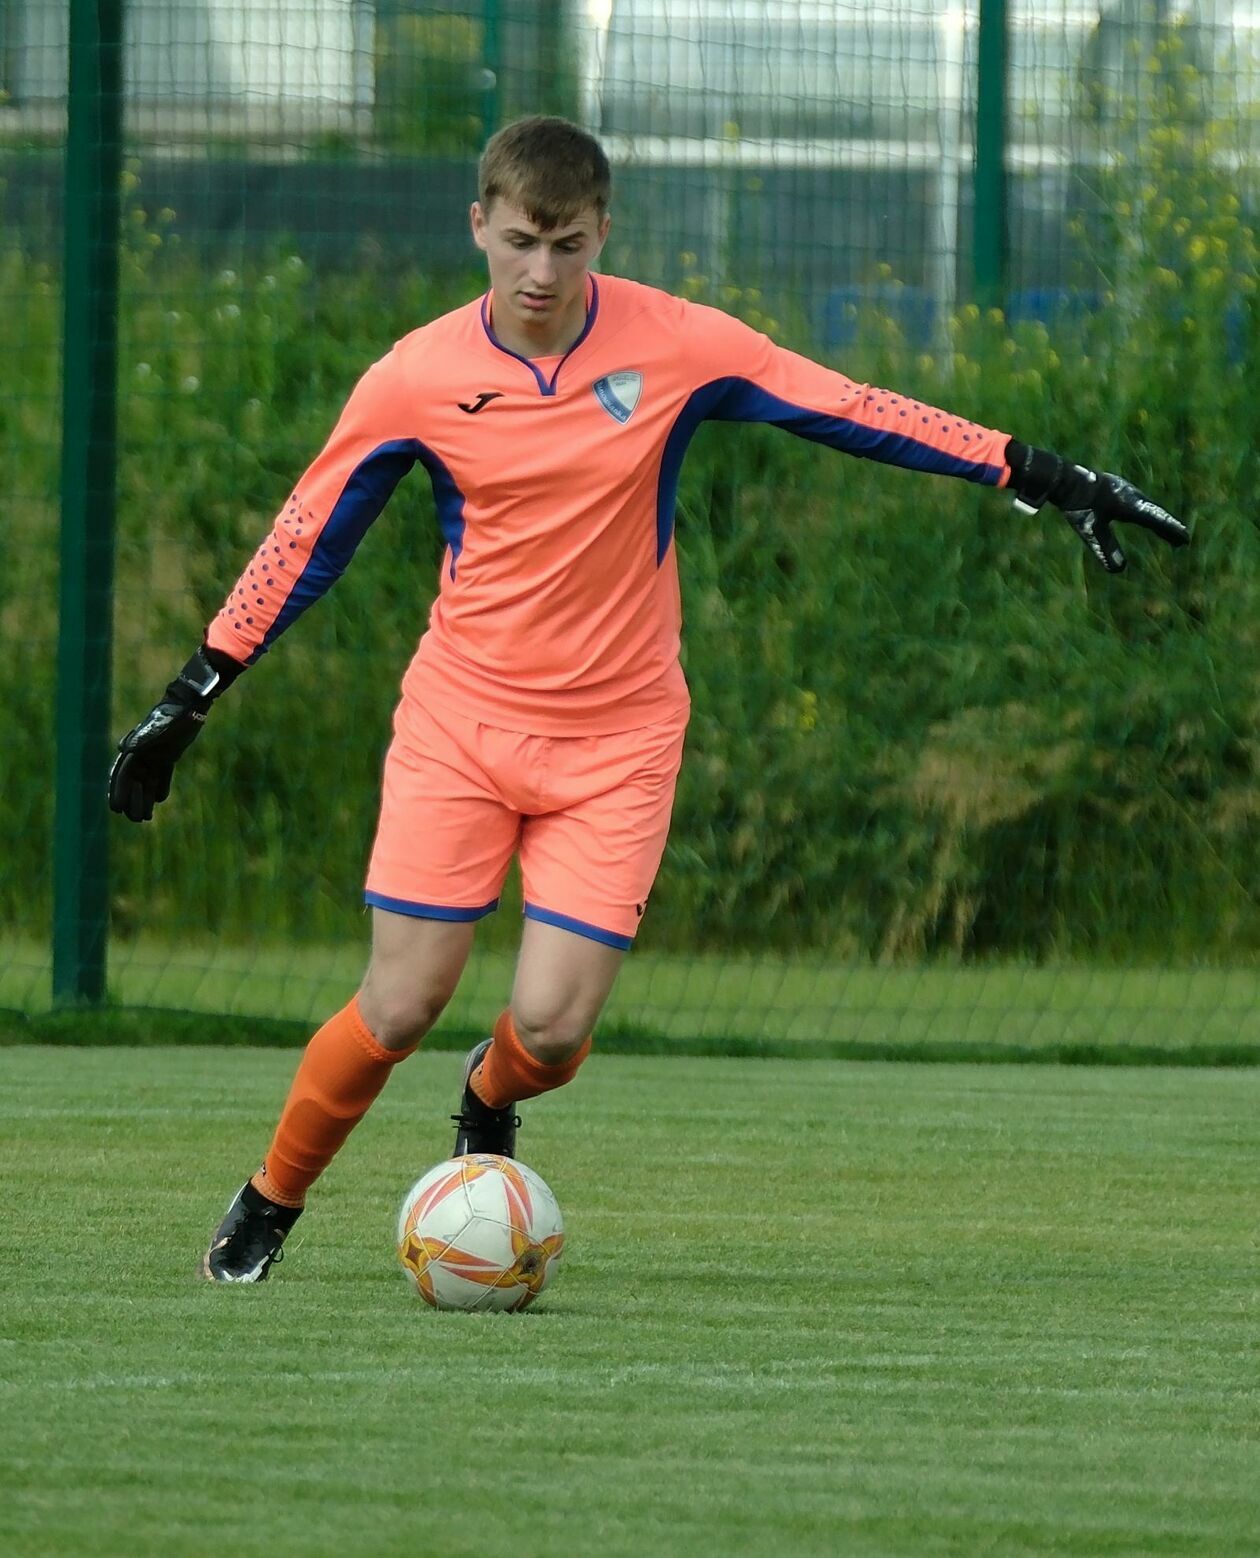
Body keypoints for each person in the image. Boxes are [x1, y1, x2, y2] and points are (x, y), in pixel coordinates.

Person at [108, 116, 1188, 1283]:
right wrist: (193, 692)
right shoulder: (414, 377)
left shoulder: (678, 344)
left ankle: (488, 1096)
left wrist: (1040, 472)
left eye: (567, 244)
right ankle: (274, 1194)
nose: (540, 270)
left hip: (619, 740)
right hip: (459, 728)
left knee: (556, 1032)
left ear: (602, 233)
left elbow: (854, 406)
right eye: (519, 240)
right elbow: (306, 537)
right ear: (479, 225)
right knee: (402, 997)